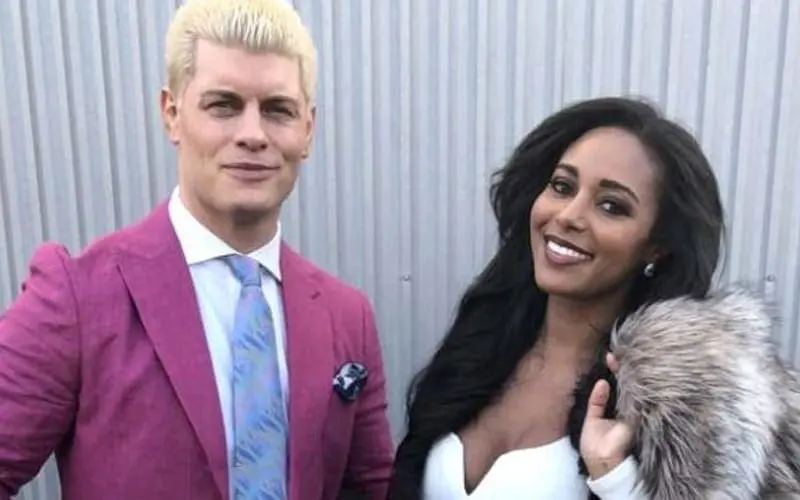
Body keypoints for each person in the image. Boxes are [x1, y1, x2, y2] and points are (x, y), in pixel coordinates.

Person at [0, 1, 394, 499]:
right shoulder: (78, 297)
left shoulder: (347, 316)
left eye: (278, 110)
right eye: (223, 105)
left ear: (308, 130)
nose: (252, 135)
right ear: (172, 114)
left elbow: (372, 489)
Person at [387, 96, 726, 499]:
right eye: (562, 186)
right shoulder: (484, 343)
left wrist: (617, 481)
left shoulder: (672, 403)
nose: (568, 215)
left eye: (611, 206)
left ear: (657, 246)